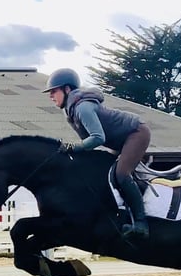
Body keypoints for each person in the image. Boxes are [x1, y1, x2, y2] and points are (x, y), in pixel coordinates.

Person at [42, 67, 150, 240]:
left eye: (54, 91)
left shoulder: (83, 108)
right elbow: (87, 145)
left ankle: (141, 223)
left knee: (122, 174)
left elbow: (97, 138)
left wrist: (71, 147)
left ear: (67, 89)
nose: (50, 96)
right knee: (106, 172)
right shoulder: (69, 112)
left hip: (136, 132)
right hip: (119, 139)